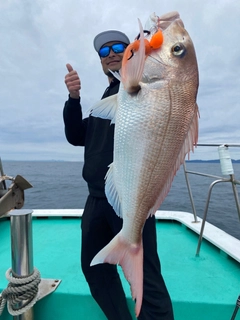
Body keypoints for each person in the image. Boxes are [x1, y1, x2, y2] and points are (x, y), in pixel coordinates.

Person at [63, 29, 174, 320]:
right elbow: (76, 135)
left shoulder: (139, 87)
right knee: (94, 268)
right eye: (103, 51)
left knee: (147, 278)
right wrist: (73, 99)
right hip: (97, 199)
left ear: (132, 51)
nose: (110, 53)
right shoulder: (110, 95)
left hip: (132, 195)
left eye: (117, 47)